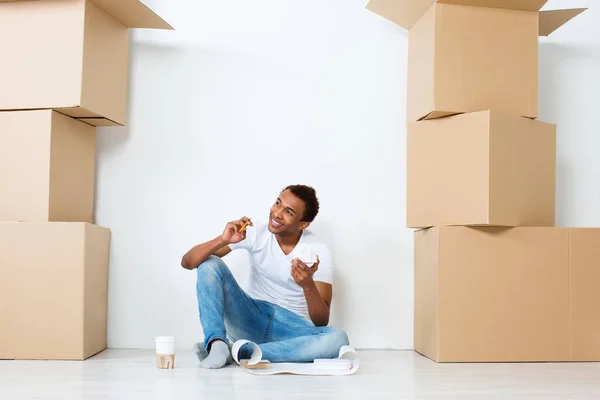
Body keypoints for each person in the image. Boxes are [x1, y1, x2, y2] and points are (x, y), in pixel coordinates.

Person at [181, 184, 349, 369]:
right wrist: (222, 240)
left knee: (338, 338)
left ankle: (242, 351)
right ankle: (217, 344)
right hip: (250, 317)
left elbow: (321, 321)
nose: (277, 213)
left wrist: (308, 286)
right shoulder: (253, 232)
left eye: (289, 212)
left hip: (291, 330)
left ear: (303, 224)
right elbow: (188, 262)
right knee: (209, 262)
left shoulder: (318, 250)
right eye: (278, 203)